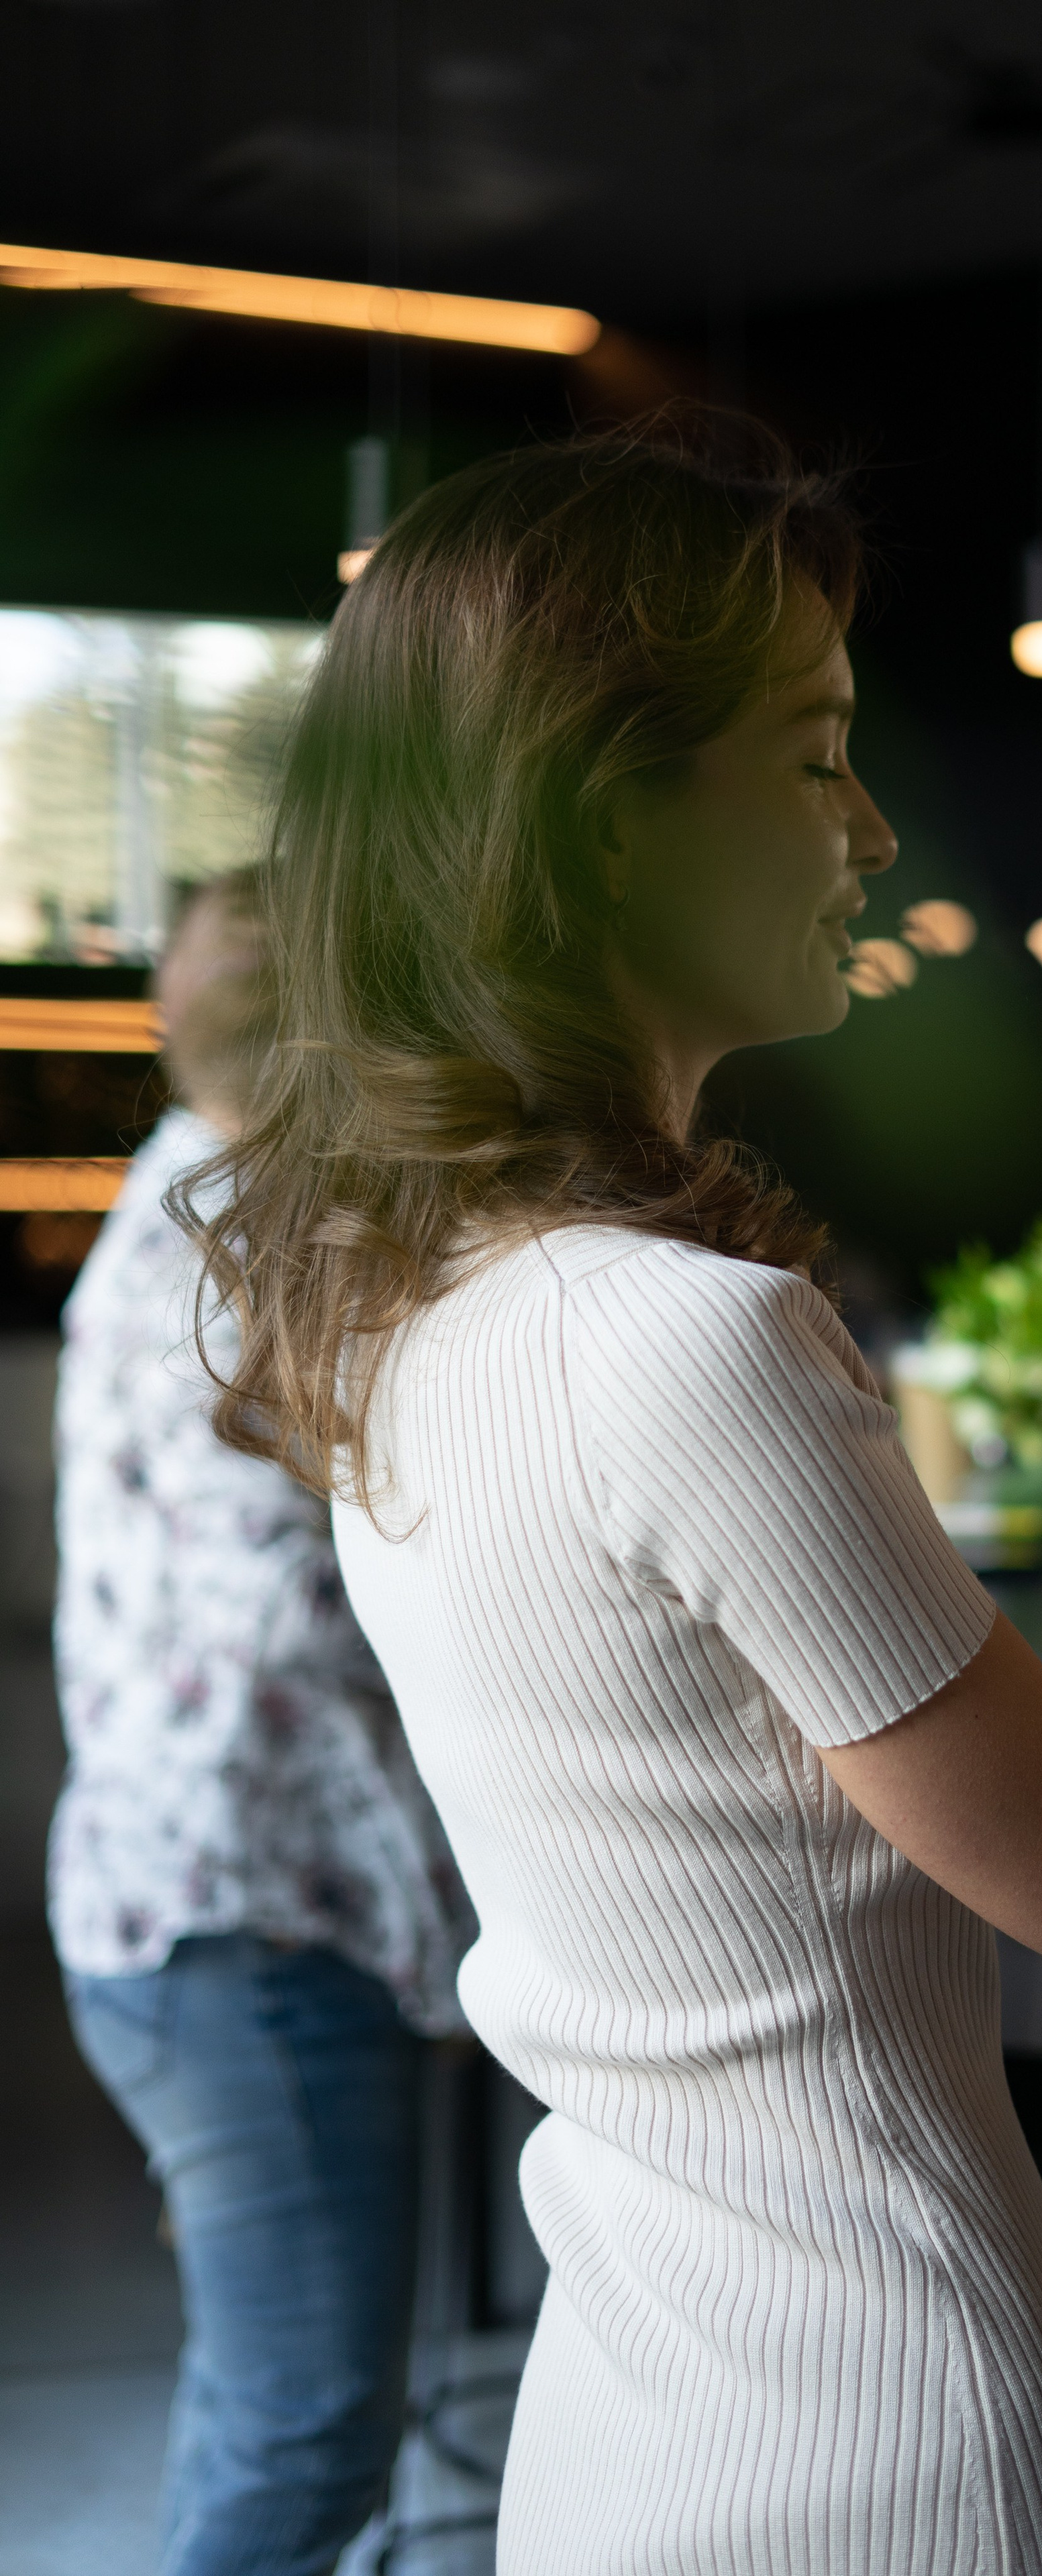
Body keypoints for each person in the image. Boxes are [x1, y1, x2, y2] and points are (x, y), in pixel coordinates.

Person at [187, 417, 1042, 2576]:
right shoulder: (684, 1340)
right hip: (883, 2439)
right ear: (600, 825)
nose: (866, 830)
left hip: (646, 2424)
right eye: (812, 753)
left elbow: (932, 1790)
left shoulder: (434, 1306)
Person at [51, 870, 473, 2576]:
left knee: (263, 2405)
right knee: (306, 2435)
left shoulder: (188, 1201)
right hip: (253, 1926)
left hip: (182, 1906)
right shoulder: (241, 1263)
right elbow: (287, 1635)